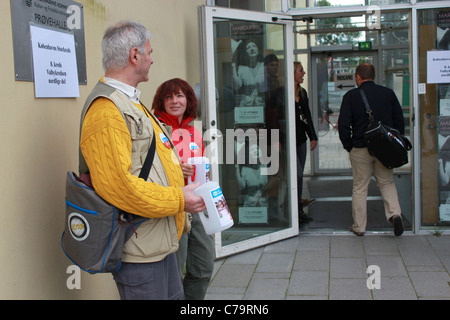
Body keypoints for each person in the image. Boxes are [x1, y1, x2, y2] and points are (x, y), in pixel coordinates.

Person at [79, 21, 206, 300]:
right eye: (149, 52)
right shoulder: (107, 111)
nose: (152, 58)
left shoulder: (130, 103)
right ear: (134, 56)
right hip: (139, 249)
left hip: (157, 242)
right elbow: (119, 186)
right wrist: (179, 199)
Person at [152, 78, 214, 300]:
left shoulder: (194, 132)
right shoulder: (156, 130)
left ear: (188, 100)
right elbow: (151, 171)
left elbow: (202, 169)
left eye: (179, 96)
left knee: (204, 267)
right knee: (175, 272)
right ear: (161, 101)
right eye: (168, 97)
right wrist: (178, 170)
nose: (174, 101)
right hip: (174, 207)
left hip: (197, 206)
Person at [338, 63, 405, 236]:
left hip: (360, 147)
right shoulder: (388, 94)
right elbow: (399, 121)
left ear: (358, 77)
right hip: (384, 149)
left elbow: (343, 125)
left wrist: (349, 145)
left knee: (360, 187)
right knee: (386, 183)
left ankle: (359, 227)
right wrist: (394, 144)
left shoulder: (351, 96)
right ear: (373, 76)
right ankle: (395, 214)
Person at [294, 62, 318, 224]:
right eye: (301, 71)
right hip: (287, 142)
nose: (303, 73)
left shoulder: (302, 93)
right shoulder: (283, 93)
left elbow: (307, 116)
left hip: (301, 140)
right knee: (297, 174)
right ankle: (292, 210)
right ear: (293, 73)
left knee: (299, 177)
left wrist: (313, 136)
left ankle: (298, 211)